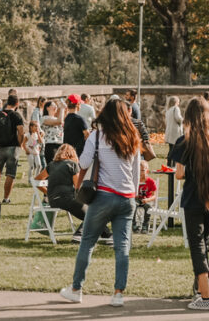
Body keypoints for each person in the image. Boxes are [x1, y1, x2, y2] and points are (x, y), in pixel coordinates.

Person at [58, 97, 141, 308]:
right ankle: (118, 293)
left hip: (103, 195)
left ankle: (76, 289)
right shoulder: (132, 137)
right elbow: (136, 172)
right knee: (122, 247)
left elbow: (84, 162)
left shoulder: (97, 136)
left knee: (87, 242)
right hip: (127, 198)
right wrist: (132, 195)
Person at [169, 97, 209, 311]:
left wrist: (193, 171)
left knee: (197, 246)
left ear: (188, 117)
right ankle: (200, 287)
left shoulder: (184, 141)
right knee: (205, 241)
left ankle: (205, 297)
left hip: (192, 199)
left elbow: (179, 174)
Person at [35, 143, 89, 240]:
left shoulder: (51, 165)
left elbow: (37, 180)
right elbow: (77, 186)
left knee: (94, 214)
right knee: (94, 213)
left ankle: (106, 235)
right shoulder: (72, 164)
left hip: (53, 200)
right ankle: (79, 235)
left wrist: (47, 192)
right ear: (72, 154)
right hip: (67, 199)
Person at [0, 90, 25, 205]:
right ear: (17, 104)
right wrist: (20, 144)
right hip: (12, 148)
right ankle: (6, 198)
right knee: (10, 173)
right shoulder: (16, 115)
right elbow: (21, 132)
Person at [134, 162, 158, 233]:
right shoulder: (135, 181)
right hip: (137, 199)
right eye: (138, 170)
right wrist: (135, 195)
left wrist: (147, 199)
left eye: (142, 170)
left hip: (147, 200)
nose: (140, 173)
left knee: (148, 206)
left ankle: (145, 225)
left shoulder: (151, 182)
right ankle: (134, 225)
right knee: (132, 205)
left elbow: (154, 196)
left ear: (147, 171)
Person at [41, 100, 66, 165]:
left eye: (56, 105)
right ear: (47, 108)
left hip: (60, 145)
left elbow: (61, 119)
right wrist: (62, 108)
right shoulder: (44, 118)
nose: (55, 106)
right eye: (53, 105)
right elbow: (59, 121)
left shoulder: (56, 118)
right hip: (51, 146)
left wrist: (64, 108)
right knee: (53, 168)